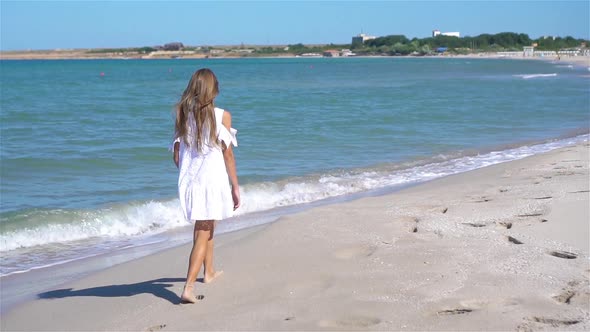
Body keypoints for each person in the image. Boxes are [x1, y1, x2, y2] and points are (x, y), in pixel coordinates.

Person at [172, 68, 240, 304]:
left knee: (207, 224)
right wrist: (235, 186)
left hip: (191, 181)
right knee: (203, 231)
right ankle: (188, 288)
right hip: (212, 181)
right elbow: (228, 156)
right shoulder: (222, 116)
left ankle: (208, 272)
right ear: (214, 89)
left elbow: (177, 154)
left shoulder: (182, 113)